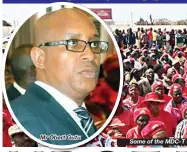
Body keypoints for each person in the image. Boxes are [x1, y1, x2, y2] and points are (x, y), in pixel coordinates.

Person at [10, 8, 111, 145]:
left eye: (94, 44)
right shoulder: (25, 121)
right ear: (40, 58)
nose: (91, 55)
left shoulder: (84, 114)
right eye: (73, 43)